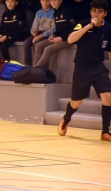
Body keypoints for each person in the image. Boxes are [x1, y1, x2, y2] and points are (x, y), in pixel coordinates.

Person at [58, 0, 111, 142]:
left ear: (105, 14)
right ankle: (67, 118)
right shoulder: (83, 23)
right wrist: (89, 26)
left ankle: (105, 131)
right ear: (90, 12)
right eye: (94, 11)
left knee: (108, 96)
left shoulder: (108, 29)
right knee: (76, 102)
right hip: (82, 68)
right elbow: (70, 39)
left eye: (100, 11)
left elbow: (110, 51)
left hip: (98, 67)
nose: (96, 14)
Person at [33, 0, 76, 67]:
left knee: (48, 49)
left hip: (69, 38)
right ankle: (36, 70)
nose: (52, 2)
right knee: (38, 46)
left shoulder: (68, 10)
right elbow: (58, 29)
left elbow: (73, 29)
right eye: (51, 0)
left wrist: (61, 38)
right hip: (59, 37)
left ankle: (35, 70)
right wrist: (53, 35)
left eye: (55, 0)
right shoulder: (56, 12)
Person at [23, 0, 55, 67]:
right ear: (40, 1)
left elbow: (53, 29)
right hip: (38, 33)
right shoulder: (39, 13)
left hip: (47, 34)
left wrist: (41, 36)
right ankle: (28, 65)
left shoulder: (53, 12)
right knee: (26, 43)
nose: (45, 3)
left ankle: (38, 66)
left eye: (47, 1)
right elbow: (33, 27)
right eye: (43, 0)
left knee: (36, 44)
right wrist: (33, 32)